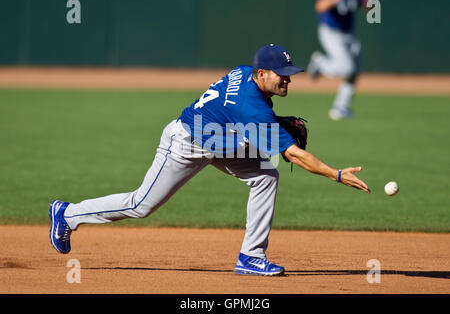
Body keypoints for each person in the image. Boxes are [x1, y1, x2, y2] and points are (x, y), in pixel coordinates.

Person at [49, 44, 370, 276]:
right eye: (281, 75)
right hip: (185, 143)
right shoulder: (252, 108)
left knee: (265, 176)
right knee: (141, 205)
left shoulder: (244, 74)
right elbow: (293, 154)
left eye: (290, 74)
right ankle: (68, 214)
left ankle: (251, 257)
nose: (288, 80)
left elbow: (237, 113)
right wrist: (336, 174)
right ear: (262, 73)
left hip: (219, 141)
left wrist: (269, 124)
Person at [307, 0, 371, 120]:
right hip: (331, 32)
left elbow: (368, 6)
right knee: (347, 68)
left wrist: (367, 2)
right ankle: (320, 63)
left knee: (354, 72)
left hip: (349, 32)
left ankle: (341, 107)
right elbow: (320, 6)